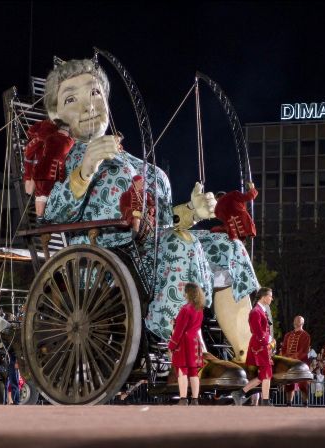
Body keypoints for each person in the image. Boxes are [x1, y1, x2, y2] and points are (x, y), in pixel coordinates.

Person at [40, 58, 260, 358]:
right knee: (178, 244)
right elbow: (52, 211)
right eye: (70, 99)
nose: (87, 106)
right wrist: (85, 170)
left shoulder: (138, 164)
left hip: (150, 253)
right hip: (104, 262)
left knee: (226, 246)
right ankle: (189, 353)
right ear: (56, 113)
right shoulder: (65, 158)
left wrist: (192, 212)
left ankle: (251, 354)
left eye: (94, 93)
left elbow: (163, 221)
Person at [23, 118, 75, 224]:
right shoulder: (68, 140)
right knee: (43, 192)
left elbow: (30, 149)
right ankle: (42, 216)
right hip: (53, 171)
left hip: (42, 168)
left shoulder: (48, 136)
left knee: (41, 193)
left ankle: (41, 217)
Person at [231, 287, 275, 406]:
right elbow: (257, 332)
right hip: (260, 346)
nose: (271, 298)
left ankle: (240, 393)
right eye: (270, 296)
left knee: (263, 375)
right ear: (264, 297)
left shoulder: (260, 310)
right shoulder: (256, 311)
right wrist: (269, 340)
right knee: (266, 373)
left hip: (262, 345)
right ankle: (265, 401)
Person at [168, 283, 207, 406]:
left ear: (188, 293)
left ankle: (183, 399)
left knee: (182, 371)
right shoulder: (199, 309)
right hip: (195, 341)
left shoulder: (185, 309)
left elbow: (179, 330)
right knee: (193, 372)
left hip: (184, 343)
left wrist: (171, 345)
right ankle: (195, 400)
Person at [280, 316, 311, 406]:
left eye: (298, 321)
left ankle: (305, 403)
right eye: (295, 320)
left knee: (303, 384)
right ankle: (288, 403)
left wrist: (293, 358)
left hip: (302, 363)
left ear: (302, 323)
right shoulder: (288, 335)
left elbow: (303, 351)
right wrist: (284, 358)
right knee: (289, 383)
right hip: (289, 362)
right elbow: (284, 348)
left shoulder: (306, 335)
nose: (296, 322)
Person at [120, 174, 156, 239]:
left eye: (143, 182)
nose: (142, 184)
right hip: (132, 214)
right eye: (140, 182)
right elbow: (123, 207)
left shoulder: (146, 194)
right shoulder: (126, 194)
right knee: (137, 220)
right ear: (135, 183)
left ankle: (148, 239)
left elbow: (151, 205)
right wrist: (132, 211)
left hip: (144, 215)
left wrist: (151, 209)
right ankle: (134, 239)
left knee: (150, 222)